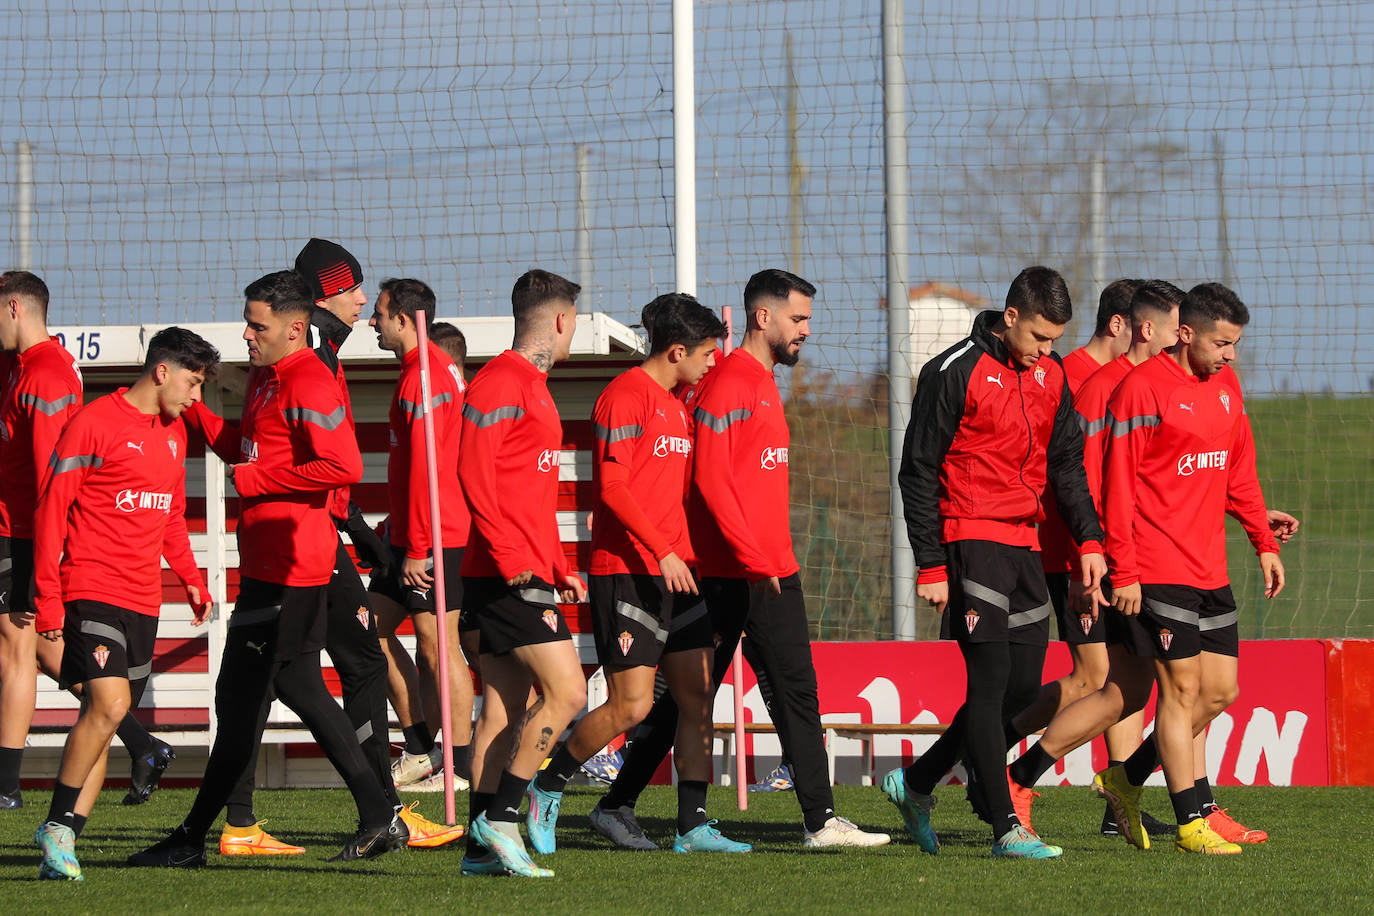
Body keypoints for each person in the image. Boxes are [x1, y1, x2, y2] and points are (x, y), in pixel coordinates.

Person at [592, 269, 890, 850]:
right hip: (746, 572)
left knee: (693, 698)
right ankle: (819, 820)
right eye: (798, 318)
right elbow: (709, 481)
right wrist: (756, 559)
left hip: (756, 565)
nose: (806, 329)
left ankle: (620, 803)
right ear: (763, 317)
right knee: (789, 691)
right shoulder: (732, 382)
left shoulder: (754, 381)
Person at [129, 270, 404, 867]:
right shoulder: (265, 379)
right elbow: (246, 448)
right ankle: (375, 816)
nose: (247, 335)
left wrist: (258, 482)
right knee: (284, 691)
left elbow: (343, 464)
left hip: (293, 569)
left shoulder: (309, 379)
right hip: (267, 566)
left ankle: (194, 838)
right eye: (248, 323)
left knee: (244, 699)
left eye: (258, 325)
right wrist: (198, 411)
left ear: (295, 327)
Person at [889, 266, 1107, 859]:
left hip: (1025, 544)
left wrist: (1090, 539)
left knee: (1020, 692)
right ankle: (1006, 828)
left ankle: (915, 782)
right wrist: (931, 565)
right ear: (1010, 317)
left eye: (1055, 342)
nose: (1047, 350)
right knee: (987, 688)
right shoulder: (953, 371)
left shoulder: (1052, 375)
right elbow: (918, 472)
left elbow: (1067, 466)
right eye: (1039, 337)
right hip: (968, 540)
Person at [526, 292, 749, 854]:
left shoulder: (677, 403)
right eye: (705, 355)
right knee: (633, 705)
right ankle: (547, 788)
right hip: (628, 572)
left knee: (698, 696)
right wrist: (662, 550)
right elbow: (615, 488)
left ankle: (693, 827)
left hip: (679, 574)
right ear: (677, 351)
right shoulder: (624, 397)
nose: (710, 364)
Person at [1092, 282, 1284, 855]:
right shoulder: (1141, 389)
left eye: (1236, 344)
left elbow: (1238, 471)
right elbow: (1118, 487)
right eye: (1222, 343)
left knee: (1220, 691)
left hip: (1209, 567)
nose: (1230, 355)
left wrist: (1262, 542)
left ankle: (1124, 781)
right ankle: (1190, 820)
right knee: (1179, 691)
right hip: (1157, 563)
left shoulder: (1226, 385)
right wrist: (1123, 569)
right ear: (1186, 334)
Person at [31, 328, 218, 880]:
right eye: (193, 382)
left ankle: (62, 846)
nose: (196, 397)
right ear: (162, 370)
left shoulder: (175, 432)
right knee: (110, 706)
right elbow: (49, 513)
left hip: (144, 600)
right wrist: (46, 603)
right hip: (90, 589)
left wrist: (190, 578)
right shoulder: (92, 423)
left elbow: (171, 516)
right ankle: (58, 826)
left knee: (103, 718)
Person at [1004, 280, 1180, 839]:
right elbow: (1081, 480)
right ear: (1130, 325)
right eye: (1178, 330)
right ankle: (992, 754)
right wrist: (1094, 554)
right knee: (1104, 679)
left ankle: (1114, 798)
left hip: (1127, 557)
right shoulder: (1086, 381)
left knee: (1126, 683)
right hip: (1088, 558)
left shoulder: (1148, 385)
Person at [0, 272, 177, 811]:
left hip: (25, 535)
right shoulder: (23, 366)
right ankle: (143, 744)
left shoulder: (48, 375)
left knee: (16, 652)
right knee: (46, 656)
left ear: (13, 310)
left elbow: (54, 479)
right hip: (17, 532)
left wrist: (47, 557)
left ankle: (7, 788)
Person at [457, 269, 589, 878]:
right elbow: (472, 473)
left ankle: (479, 852)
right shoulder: (499, 381)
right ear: (561, 320)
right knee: (569, 693)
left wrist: (559, 565)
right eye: (576, 322)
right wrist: (515, 561)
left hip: (525, 570)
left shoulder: (533, 385)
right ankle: (505, 817)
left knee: (503, 711)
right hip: (506, 574)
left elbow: (527, 490)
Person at [367, 280, 475, 803]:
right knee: (370, 627)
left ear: (406, 319)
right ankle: (421, 746)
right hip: (407, 531)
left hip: (432, 535)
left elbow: (431, 469)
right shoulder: (418, 371)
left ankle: (458, 763)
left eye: (379, 314)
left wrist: (417, 545)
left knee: (438, 645)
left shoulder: (426, 377)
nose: (371, 322)